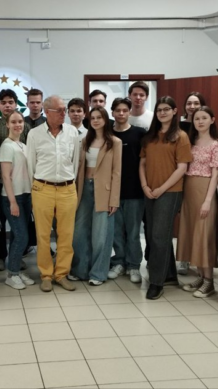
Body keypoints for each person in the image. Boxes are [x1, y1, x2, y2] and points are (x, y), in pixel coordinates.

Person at [139, 96, 192, 300]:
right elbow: (142, 163)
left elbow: (182, 168)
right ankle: (168, 275)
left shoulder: (180, 136)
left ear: (175, 111)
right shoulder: (150, 136)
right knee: (154, 234)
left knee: (159, 236)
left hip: (170, 192)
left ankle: (156, 282)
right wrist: (145, 186)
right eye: (159, 109)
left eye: (166, 109)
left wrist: (161, 189)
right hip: (150, 191)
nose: (162, 113)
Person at [27, 95, 80, 292]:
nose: (64, 113)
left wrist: (69, 182)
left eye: (64, 109)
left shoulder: (72, 132)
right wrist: (36, 187)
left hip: (67, 189)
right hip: (43, 188)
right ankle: (46, 275)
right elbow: (30, 164)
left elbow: (75, 162)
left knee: (66, 234)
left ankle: (62, 274)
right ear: (47, 112)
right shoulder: (34, 134)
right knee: (42, 235)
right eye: (60, 110)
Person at [70, 107, 122, 285]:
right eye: (93, 118)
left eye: (99, 117)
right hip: (84, 188)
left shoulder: (115, 142)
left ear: (105, 119)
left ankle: (98, 273)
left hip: (104, 191)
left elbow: (117, 172)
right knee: (79, 232)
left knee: (101, 235)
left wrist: (114, 199)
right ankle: (80, 270)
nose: (96, 120)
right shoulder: (85, 140)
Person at [177, 106, 218, 298]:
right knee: (193, 233)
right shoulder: (190, 141)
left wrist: (208, 201)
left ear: (212, 120)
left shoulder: (217, 144)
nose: (200, 122)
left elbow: (215, 175)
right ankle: (200, 276)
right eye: (197, 118)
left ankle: (209, 281)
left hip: (205, 190)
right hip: (189, 190)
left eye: (204, 118)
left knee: (204, 234)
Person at [0, 89, 31, 271]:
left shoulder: (25, 126)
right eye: (3, 102)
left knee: (18, 224)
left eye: (11, 102)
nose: (7, 105)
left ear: (16, 104)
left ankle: (16, 255)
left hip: (20, 182)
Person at [108, 98, 146, 283]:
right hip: (112, 191)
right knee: (116, 231)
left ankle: (133, 265)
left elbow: (145, 162)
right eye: (118, 110)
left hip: (135, 191)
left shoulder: (139, 133)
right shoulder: (107, 133)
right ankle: (119, 262)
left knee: (133, 232)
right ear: (112, 112)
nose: (121, 113)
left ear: (130, 112)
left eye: (124, 110)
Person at [0, 111, 36, 289]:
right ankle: (12, 274)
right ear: (7, 124)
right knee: (22, 236)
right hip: (13, 197)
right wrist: (12, 201)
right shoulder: (6, 146)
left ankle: (16, 270)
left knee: (17, 235)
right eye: (13, 122)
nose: (17, 125)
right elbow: (6, 176)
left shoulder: (23, 145)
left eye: (20, 121)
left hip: (26, 195)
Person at [176, 92, 207, 275]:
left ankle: (200, 258)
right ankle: (184, 258)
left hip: (198, 178)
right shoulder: (179, 126)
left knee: (199, 220)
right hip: (179, 177)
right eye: (189, 103)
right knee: (184, 220)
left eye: (196, 103)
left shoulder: (204, 126)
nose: (192, 106)